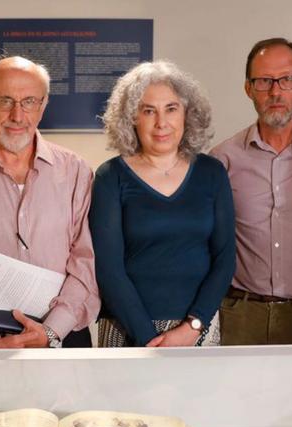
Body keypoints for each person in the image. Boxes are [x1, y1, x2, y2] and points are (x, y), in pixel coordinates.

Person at [0, 56, 99, 348]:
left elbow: (85, 261)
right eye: (5, 101)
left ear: (43, 105)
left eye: (28, 102)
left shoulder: (77, 172)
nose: (17, 115)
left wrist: (51, 331)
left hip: (64, 336)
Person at [90, 60, 235, 347]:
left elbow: (225, 258)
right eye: (148, 111)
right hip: (128, 328)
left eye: (171, 108)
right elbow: (108, 270)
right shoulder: (110, 177)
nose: (161, 123)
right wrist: (149, 339)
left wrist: (194, 325)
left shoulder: (212, 172)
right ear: (132, 117)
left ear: (186, 114)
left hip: (197, 327)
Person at [211, 38, 292, 345]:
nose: (276, 92)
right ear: (248, 88)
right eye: (264, 81)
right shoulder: (222, 160)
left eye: (287, 79)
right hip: (238, 315)